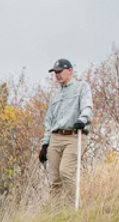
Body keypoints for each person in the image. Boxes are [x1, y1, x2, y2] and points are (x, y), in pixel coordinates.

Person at [38, 58, 93, 199]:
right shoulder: (55, 96)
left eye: (59, 72)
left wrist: (82, 119)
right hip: (56, 138)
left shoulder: (81, 87)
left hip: (74, 135)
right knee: (55, 179)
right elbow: (49, 121)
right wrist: (45, 144)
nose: (57, 75)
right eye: (55, 73)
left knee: (66, 172)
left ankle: (73, 209)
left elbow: (87, 106)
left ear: (69, 71)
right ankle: (56, 214)